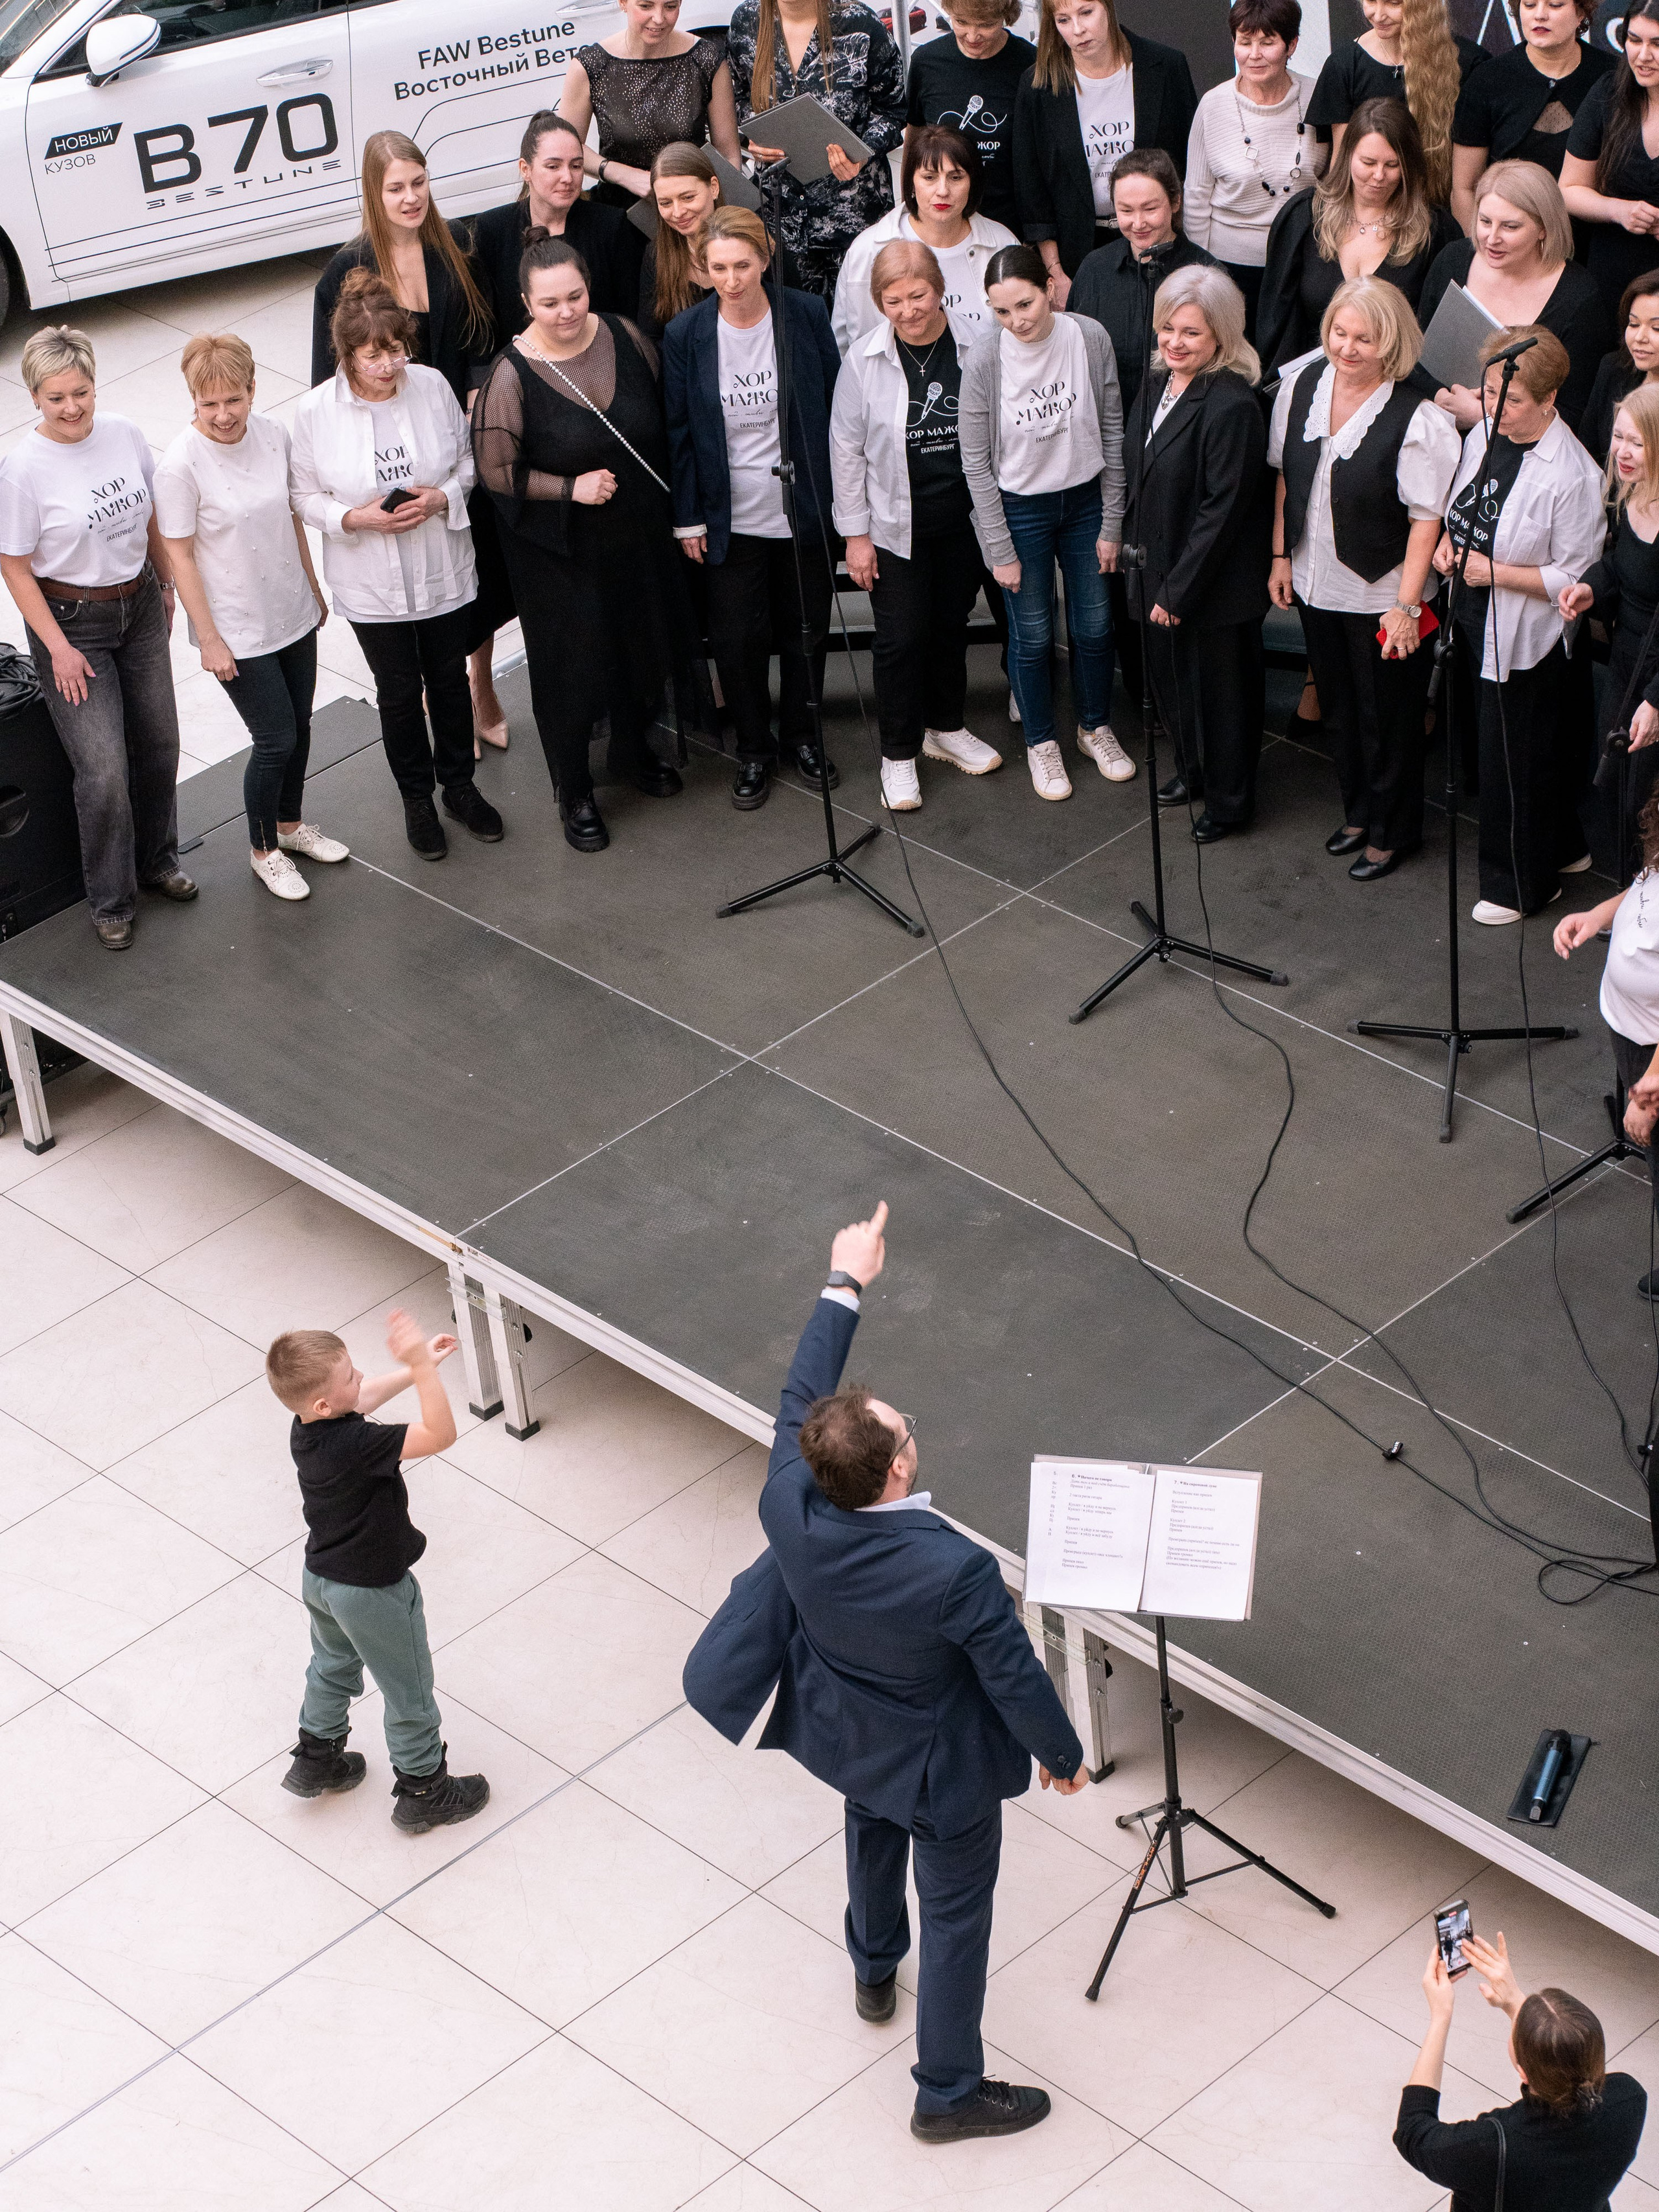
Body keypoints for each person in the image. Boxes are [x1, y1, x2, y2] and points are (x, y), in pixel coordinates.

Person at [680, 1200, 1091, 2144]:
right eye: (906, 1431)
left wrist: (846, 1281)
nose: (910, 1433)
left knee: (869, 1823)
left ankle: (873, 1967)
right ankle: (947, 2092)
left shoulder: (789, 1501)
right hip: (940, 1769)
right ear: (897, 1472)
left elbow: (799, 1395)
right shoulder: (953, 1569)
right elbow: (1014, 1678)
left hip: (848, 1726)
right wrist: (1063, 1758)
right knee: (957, 1920)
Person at [472, 239, 686, 855]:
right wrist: (572, 488)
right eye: (549, 303)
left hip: (636, 535)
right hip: (561, 551)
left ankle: (632, 751)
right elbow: (497, 473)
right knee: (573, 667)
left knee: (638, 648)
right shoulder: (510, 376)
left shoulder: (625, 335)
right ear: (525, 303)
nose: (565, 311)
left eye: (575, 296)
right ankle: (576, 791)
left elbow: (662, 413)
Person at [310, 132, 513, 760]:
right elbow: (328, 375)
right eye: (395, 188)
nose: (410, 198)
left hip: (457, 434)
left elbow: (484, 334)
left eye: (418, 183)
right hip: (391, 441)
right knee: (420, 575)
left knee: (480, 572)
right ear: (373, 194)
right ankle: (440, 695)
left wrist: (478, 389)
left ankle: (479, 684)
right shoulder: (346, 270)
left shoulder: (454, 246)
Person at [291, 270, 504, 863]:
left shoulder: (431, 386)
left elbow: (467, 464)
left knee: (449, 681)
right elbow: (304, 496)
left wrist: (441, 498)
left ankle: (459, 787)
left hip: (441, 566)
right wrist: (355, 518)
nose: (389, 366)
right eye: (373, 356)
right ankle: (417, 800)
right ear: (346, 354)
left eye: (396, 350)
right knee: (399, 693)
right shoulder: (315, 412)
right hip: (370, 580)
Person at [0, 326, 192, 952]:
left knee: (160, 741)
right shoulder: (23, 470)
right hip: (72, 623)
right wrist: (57, 647)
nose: (72, 407)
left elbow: (151, 513)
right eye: (56, 397)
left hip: (138, 605)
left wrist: (165, 582)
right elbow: (14, 566)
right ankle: (111, 899)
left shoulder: (123, 433)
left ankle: (159, 860)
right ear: (35, 397)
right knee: (104, 768)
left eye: (80, 392)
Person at [266, 1311, 491, 1835]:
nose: (362, 1377)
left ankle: (317, 1756)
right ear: (324, 1404)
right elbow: (439, 1434)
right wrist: (423, 1371)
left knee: (332, 1664)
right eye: (350, 1375)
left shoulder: (308, 1427)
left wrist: (417, 1366)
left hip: (322, 1578)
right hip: (371, 1591)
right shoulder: (356, 1445)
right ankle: (425, 1790)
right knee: (409, 1690)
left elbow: (359, 1400)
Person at [1268, 276, 1461, 878]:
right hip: (1315, 578)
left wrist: (1407, 608)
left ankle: (1393, 831)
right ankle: (1358, 813)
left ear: (1393, 343)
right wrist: (1280, 557)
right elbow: (1286, 476)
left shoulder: (1419, 417)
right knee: (1339, 708)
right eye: (1339, 332)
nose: (1347, 348)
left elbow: (1426, 521)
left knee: (1389, 719)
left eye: (1364, 339)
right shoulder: (1301, 387)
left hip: (1384, 592)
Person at [155, 334, 343, 906]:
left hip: (289, 606)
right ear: (193, 400)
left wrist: (312, 587)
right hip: (235, 626)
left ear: (252, 389)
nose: (222, 414)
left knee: (300, 726)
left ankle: (290, 825)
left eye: (233, 399)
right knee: (274, 738)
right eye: (208, 403)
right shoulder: (180, 465)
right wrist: (209, 638)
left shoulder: (273, 435)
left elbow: (291, 516)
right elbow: (180, 555)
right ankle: (264, 852)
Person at [664, 206, 843, 808]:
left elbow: (836, 408)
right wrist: (688, 516)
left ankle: (803, 737)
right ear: (702, 269)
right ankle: (753, 749)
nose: (732, 279)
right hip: (729, 515)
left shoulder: (805, 313)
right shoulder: (686, 333)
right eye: (719, 268)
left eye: (743, 265)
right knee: (738, 641)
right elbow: (679, 431)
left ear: (765, 260)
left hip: (802, 507)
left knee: (806, 632)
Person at [1435, 323, 1605, 922]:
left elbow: (1576, 578)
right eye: (1488, 393)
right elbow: (1463, 507)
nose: (1495, 407)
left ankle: (1520, 887)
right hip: (1471, 615)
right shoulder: (1486, 434)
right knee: (1506, 753)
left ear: (1550, 398)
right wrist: (1449, 544)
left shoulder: (1574, 474)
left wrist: (1497, 573)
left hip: (1528, 638)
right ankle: (1565, 848)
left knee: (1516, 764)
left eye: (1512, 400)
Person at [832, 239, 1005, 810]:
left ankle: (946, 727)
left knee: (951, 626)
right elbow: (845, 450)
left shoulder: (979, 344)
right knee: (901, 639)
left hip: (963, 520)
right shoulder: (863, 359)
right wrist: (856, 536)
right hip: (893, 526)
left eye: (918, 296)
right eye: (894, 300)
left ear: (940, 290)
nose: (908, 310)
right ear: (879, 302)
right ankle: (899, 754)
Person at [960, 242, 1130, 800]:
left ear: (1050, 289)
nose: (1016, 320)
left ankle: (1094, 727)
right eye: (1001, 311)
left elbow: (1113, 430)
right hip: (1020, 509)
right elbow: (975, 461)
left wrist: (1112, 521)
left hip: (1085, 502)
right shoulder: (985, 358)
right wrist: (998, 546)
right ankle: (1041, 741)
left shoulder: (1090, 337)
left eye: (1025, 305)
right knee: (1031, 635)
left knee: (1095, 626)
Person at [1124, 265, 1271, 841]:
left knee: (1222, 701)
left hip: (1212, 585)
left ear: (1221, 337)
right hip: (1157, 567)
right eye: (1168, 328)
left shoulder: (1232, 404)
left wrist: (1178, 590)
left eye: (1191, 332)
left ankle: (1230, 803)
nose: (1175, 342)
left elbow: (1222, 512)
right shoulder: (1158, 382)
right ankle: (1194, 772)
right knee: (1175, 688)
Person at [1395, 1928, 1646, 2205]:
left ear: (1524, 2073)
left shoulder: (1491, 2148)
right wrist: (1515, 2002)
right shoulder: (1629, 2099)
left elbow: (1413, 2132)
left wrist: (1441, 2016)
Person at [1012, 0, 1200, 302]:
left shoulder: (1166, 67)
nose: (1078, 30)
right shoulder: (1038, 85)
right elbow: (1031, 188)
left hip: (1161, 243)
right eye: (1063, 20)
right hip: (1077, 254)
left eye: (1086, 13)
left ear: (1108, 7)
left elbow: (1191, 165)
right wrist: (1055, 271)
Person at [1259, 97, 1462, 371]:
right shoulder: (1304, 217)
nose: (1379, 176)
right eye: (1368, 162)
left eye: (1392, 165)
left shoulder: (1435, 231)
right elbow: (1276, 323)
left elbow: (1444, 335)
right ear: (1348, 156)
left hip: (1398, 380)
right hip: (1311, 379)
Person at [1413, 160, 1611, 434]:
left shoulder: (1579, 298)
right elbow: (1414, 355)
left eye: (1510, 227)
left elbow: (1574, 412)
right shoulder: (1453, 259)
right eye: (1485, 222)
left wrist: (1485, 417)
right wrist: (1441, 397)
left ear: (1543, 228)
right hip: (1434, 427)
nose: (1492, 238)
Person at [730, 0, 907, 298]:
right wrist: (753, 139)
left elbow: (894, 110)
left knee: (863, 316)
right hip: (781, 218)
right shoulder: (747, 21)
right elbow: (737, 98)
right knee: (797, 321)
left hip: (854, 213)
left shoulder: (860, 23)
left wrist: (862, 153)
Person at [1558, 384, 1659, 869]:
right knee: (1618, 779)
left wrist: (1656, 700)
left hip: (1656, 675)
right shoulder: (1630, 494)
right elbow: (1620, 565)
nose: (1622, 451)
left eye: (1637, 442)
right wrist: (1590, 587)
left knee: (1648, 792)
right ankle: (1630, 891)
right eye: (1619, 437)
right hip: (1627, 658)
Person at [1183, 0, 1323, 338]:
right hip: (1229, 272)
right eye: (1245, 42)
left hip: (1305, 266)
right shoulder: (1213, 106)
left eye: (1267, 42)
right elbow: (1196, 197)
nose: (1254, 55)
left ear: (1292, 45)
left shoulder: (1318, 96)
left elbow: (1334, 183)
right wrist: (1203, 274)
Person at [831, 127, 1017, 354]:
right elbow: (842, 348)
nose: (943, 191)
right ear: (911, 181)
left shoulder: (1002, 245)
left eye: (956, 177)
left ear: (973, 183)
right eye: (929, 177)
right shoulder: (867, 250)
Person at [470, 113, 649, 341]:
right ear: (526, 169)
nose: (568, 177)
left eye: (576, 166)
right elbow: (485, 324)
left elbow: (631, 317)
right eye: (553, 166)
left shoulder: (611, 226)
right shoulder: (492, 230)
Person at [1451, 0, 1614, 242]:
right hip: (1505, 245)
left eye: (1555, 5)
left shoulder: (1613, 78)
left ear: (1581, 13)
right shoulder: (1487, 81)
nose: (1539, 15)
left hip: (1595, 243)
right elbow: (1464, 188)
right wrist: (1482, 251)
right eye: (1529, 5)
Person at [1069, 149, 1216, 415]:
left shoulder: (1207, 274)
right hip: (1107, 420)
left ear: (1175, 202)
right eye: (1126, 210)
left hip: (1179, 420)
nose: (1138, 223)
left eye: (1150, 209)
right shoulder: (1095, 268)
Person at [560, 0, 741, 204]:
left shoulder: (705, 59)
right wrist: (624, 175)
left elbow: (728, 155)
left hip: (691, 207)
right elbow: (567, 149)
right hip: (621, 208)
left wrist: (719, 208)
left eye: (670, 7)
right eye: (646, 6)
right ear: (623, 3)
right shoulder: (591, 65)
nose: (659, 18)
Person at [1306, 0, 1485, 202]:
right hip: (1370, 208)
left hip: (1440, 209)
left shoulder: (1470, 64)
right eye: (1371, 1)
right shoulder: (1344, 65)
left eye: (1394, 3)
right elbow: (1341, 166)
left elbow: (1470, 182)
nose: (1379, 16)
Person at [1562, 0, 1659, 323]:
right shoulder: (1609, 94)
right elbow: (1569, 189)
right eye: (1634, 40)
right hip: (1613, 274)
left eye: (1657, 44)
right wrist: (1619, 211)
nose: (1643, 56)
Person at [904, 0, 1038, 234]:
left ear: (1005, 16)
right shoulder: (926, 62)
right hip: (941, 221)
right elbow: (914, 141)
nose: (973, 36)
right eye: (961, 22)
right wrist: (910, 205)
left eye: (986, 25)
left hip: (1010, 222)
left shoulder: (1030, 63)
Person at [1582, 269, 1659, 461]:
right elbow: (1587, 451)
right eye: (1634, 324)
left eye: (1656, 328)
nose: (1640, 337)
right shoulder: (1614, 369)